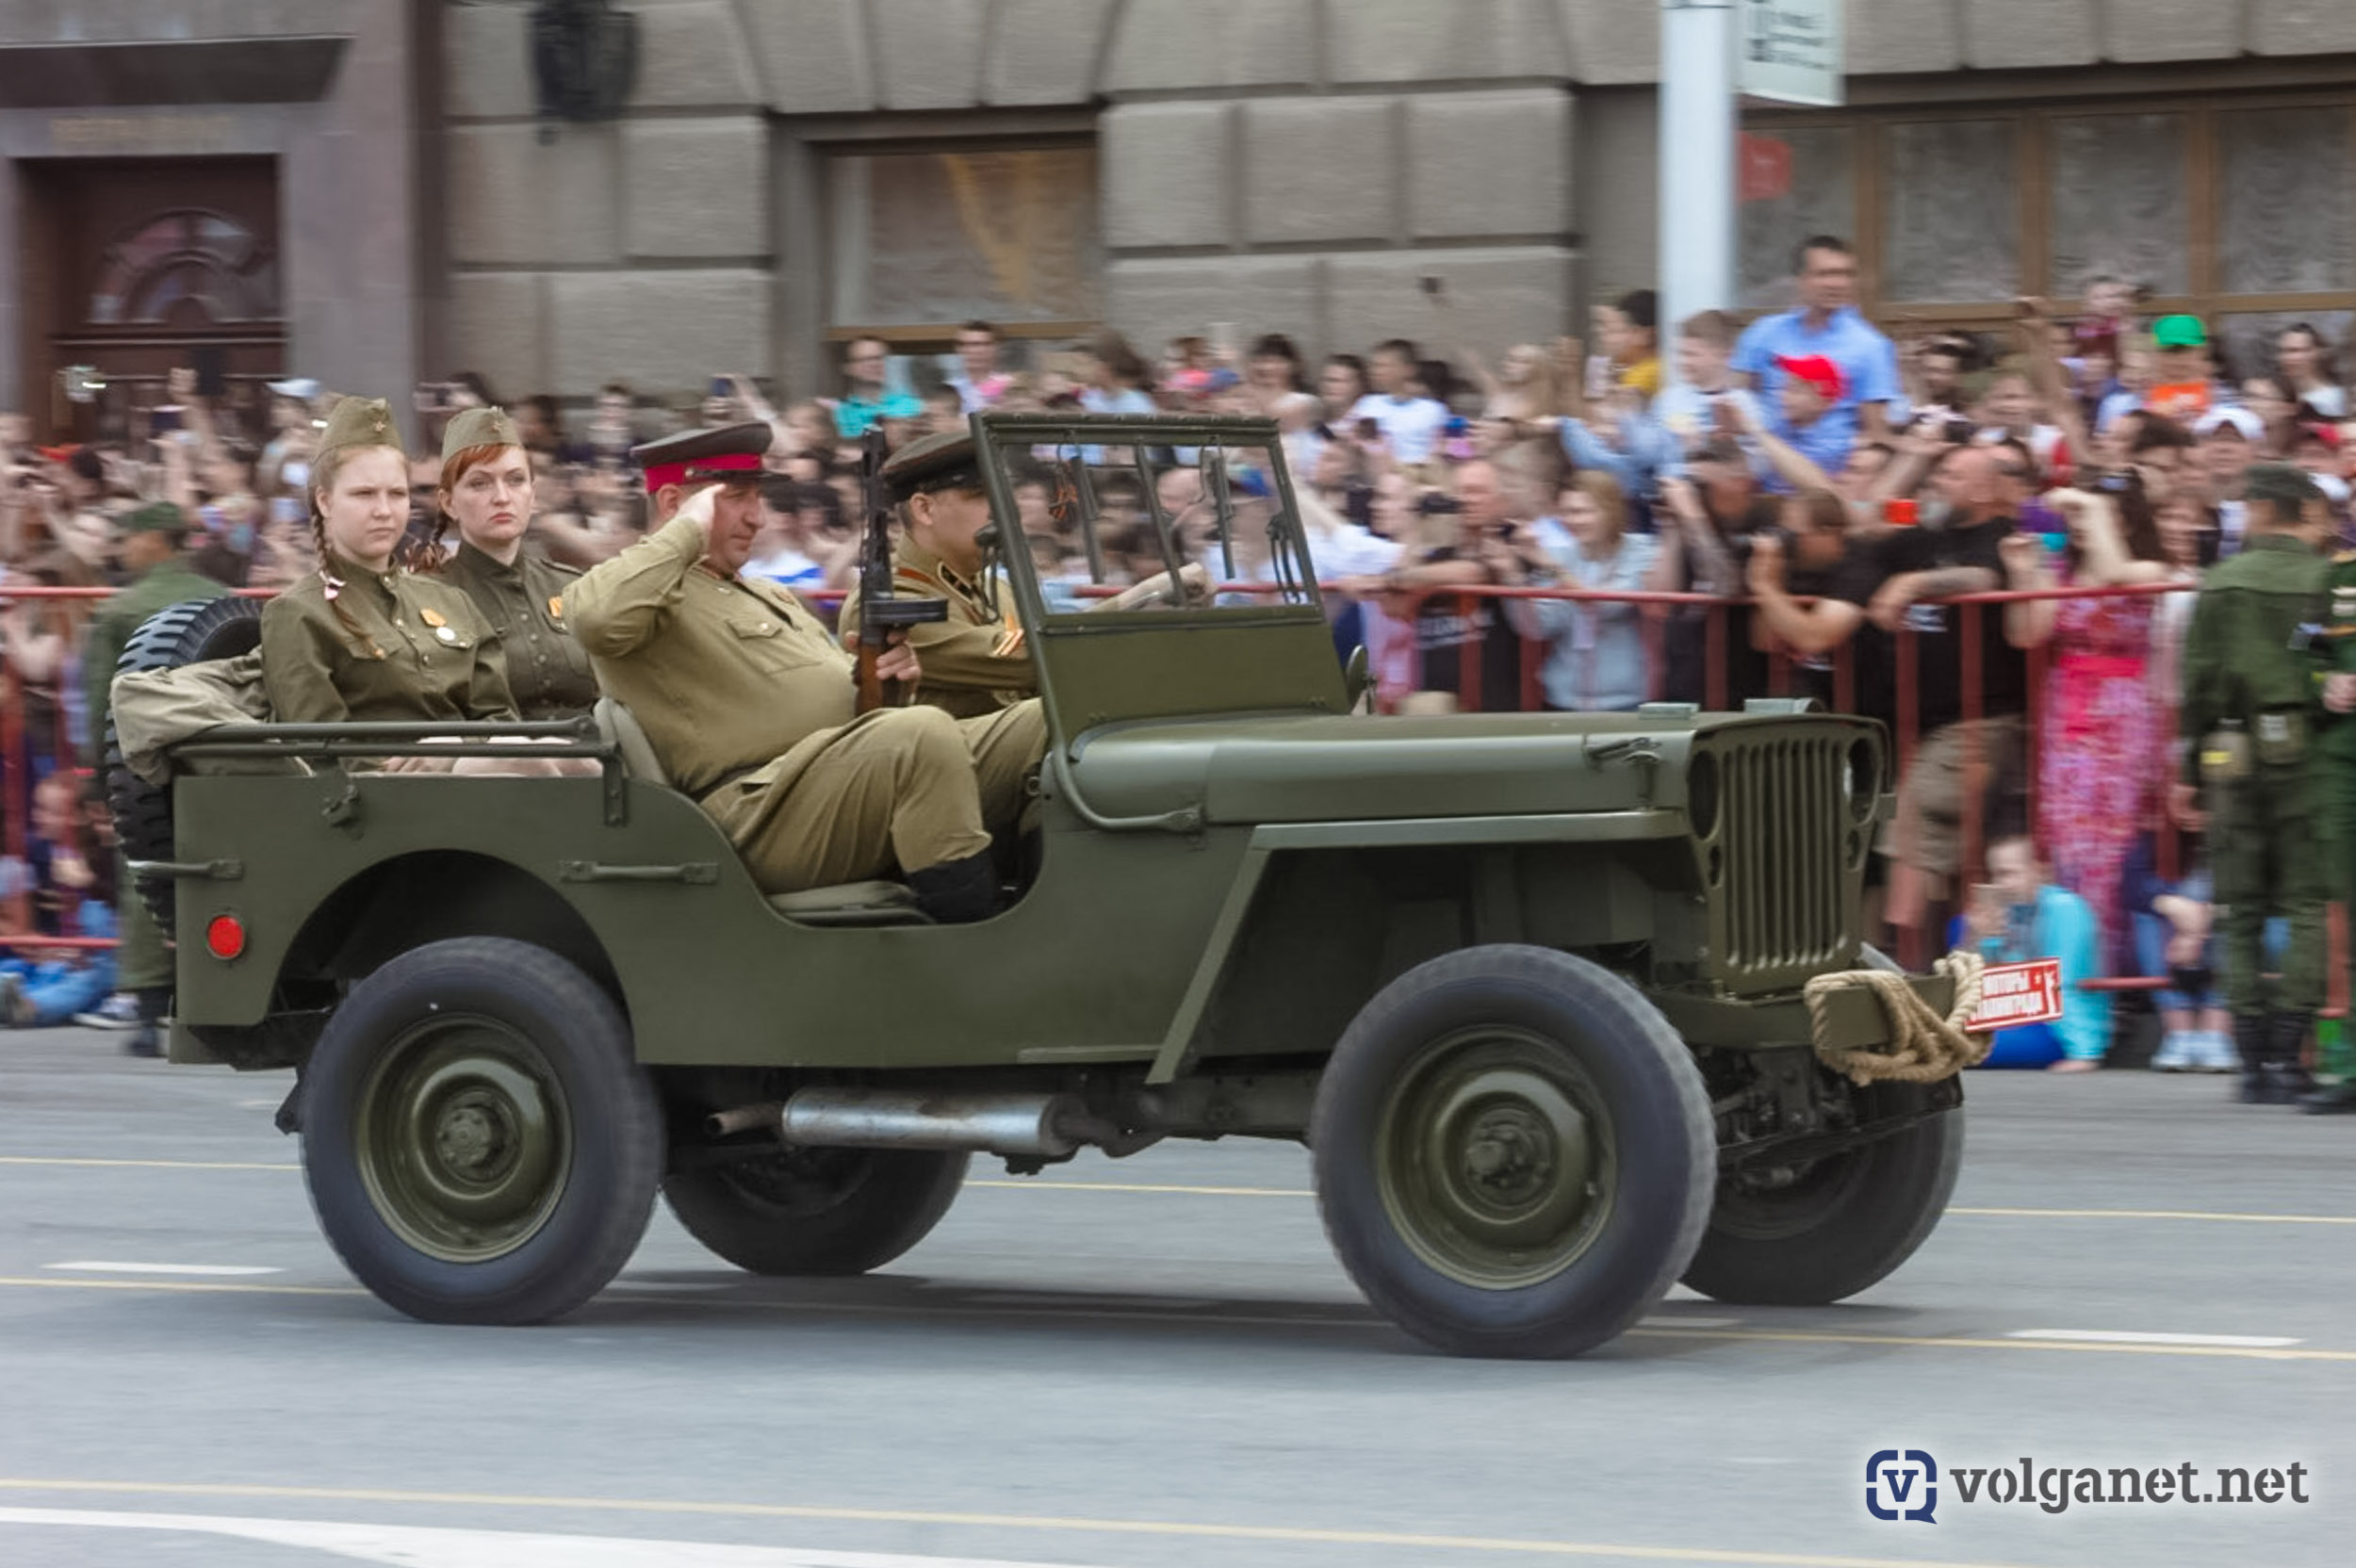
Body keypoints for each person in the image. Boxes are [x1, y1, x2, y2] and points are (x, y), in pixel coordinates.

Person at [562, 423, 1046, 923]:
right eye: (736, 498)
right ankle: (977, 942)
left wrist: (889, 687)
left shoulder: (769, 594)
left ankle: (1052, 911)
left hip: (833, 777)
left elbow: (853, 716)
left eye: (758, 498)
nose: (758, 518)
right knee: (920, 736)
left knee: (1046, 722)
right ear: (673, 504)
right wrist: (684, 531)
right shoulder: (641, 595)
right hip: (757, 810)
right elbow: (597, 620)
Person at [2178, 463, 2332, 1104]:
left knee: (2239, 907)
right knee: (2304, 904)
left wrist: (2192, 770)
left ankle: (2250, 1062)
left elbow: (2200, 686)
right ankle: (2290, 1057)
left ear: (2267, 510)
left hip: (2231, 751)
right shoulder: (2329, 581)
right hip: (2307, 748)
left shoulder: (2222, 583)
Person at [71, 500, 228, 1054]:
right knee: (212, 871)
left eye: (128, 539)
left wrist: (95, 785)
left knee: (142, 872)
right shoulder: (220, 599)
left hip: (138, 760)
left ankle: (145, 1012)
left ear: (155, 541)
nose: (121, 548)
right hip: (215, 758)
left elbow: (98, 703)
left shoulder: (120, 611)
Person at [259, 396, 518, 729]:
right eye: (364, 494)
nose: (384, 510)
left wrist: (454, 751)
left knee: (574, 759)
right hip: (381, 778)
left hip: (483, 770)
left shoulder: (452, 601)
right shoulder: (297, 612)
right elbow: (319, 749)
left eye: (397, 494)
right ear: (324, 501)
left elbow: (503, 723)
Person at [2001, 487, 2176, 972]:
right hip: (2069, 714)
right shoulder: (2063, 571)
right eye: (2074, 514)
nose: (2078, 521)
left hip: (2124, 715)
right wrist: (2022, 571)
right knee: (2068, 837)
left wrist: (2091, 503)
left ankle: (2113, 975)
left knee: (2116, 844)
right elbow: (2026, 633)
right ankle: (2075, 970)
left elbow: (2119, 575)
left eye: (2090, 513)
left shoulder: (2151, 568)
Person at [836, 431, 1033, 720]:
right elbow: (1015, 657)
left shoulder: (996, 588)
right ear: (925, 509)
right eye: (980, 495)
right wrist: (1116, 610)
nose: (1000, 509)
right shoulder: (891, 603)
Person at [429, 406, 598, 721]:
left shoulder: (570, 586)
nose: (502, 497)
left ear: (532, 496)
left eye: (516, 480)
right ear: (449, 502)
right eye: (480, 483)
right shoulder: (429, 598)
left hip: (593, 757)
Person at [1495, 470, 1657, 711]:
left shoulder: (1642, 551)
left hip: (1625, 699)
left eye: (1582, 512)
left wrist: (1552, 568)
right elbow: (1537, 627)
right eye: (1567, 512)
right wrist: (1511, 574)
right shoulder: (1561, 556)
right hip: (1563, 696)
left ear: (1611, 510)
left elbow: (1607, 605)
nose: (1572, 521)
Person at [1733, 236, 1902, 458]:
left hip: (1830, 480)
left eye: (1846, 274)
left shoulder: (1870, 346)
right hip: (1764, 476)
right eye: (1825, 274)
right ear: (1800, 280)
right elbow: (1735, 399)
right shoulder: (1764, 332)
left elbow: (1876, 436)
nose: (1837, 283)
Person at [1960, 835, 2111, 1071]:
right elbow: (1988, 982)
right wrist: (1980, 937)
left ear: (2037, 871)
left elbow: (2065, 981)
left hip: (2058, 1029)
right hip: (2019, 1013)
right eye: (1996, 875)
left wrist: (2084, 1053)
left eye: (2008, 873)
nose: (2000, 883)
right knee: (1959, 926)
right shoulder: (2010, 909)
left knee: (1960, 1046)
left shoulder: (2066, 910)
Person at [1349, 339, 1449, 464]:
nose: (1375, 371)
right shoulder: (1367, 404)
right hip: (1375, 476)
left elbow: (1443, 451)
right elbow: (1351, 440)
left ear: (1408, 370)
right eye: (1374, 366)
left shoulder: (1433, 410)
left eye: (1382, 366)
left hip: (1420, 477)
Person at [832, 336, 922, 440]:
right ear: (848, 368)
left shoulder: (914, 406)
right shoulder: (838, 413)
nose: (874, 364)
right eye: (866, 359)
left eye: (879, 358)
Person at [948, 320, 1009, 413]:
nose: (973, 350)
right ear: (959, 349)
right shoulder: (951, 389)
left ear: (995, 348)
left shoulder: (1010, 385)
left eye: (980, 344)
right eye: (966, 345)